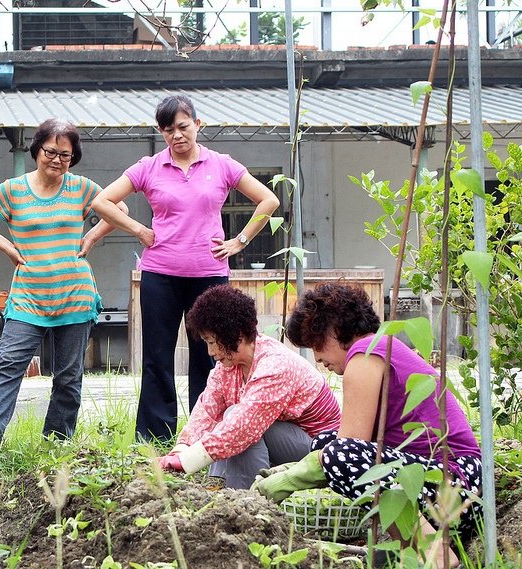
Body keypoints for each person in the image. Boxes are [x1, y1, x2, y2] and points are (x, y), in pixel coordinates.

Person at [92, 94, 281, 442]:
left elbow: (269, 199)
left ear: (197, 124)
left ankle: (205, 434)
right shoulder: (148, 166)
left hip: (209, 278)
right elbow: (101, 201)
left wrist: (240, 240)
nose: (176, 135)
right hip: (160, 276)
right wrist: (138, 229)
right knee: (157, 358)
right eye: (167, 130)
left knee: (209, 360)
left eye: (182, 126)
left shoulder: (221, 164)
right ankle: (154, 439)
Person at [256, 283, 481, 569]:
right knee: (326, 444)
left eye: (316, 345)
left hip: (453, 486)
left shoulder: (365, 354)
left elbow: (349, 450)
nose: (318, 359)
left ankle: (438, 559)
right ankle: (410, 546)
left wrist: (286, 481)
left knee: (341, 456)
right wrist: (290, 468)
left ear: (334, 330)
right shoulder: (382, 346)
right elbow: (344, 443)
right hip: (455, 485)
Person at [0, 118, 128, 456]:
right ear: (37, 150)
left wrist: (92, 236)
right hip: (28, 296)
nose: (57, 160)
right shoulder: (13, 190)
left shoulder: (81, 188)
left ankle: (57, 442)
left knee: (68, 376)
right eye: (51, 151)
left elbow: (119, 209)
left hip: (74, 294)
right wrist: (8, 247)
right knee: (8, 364)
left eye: (65, 155)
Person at [157, 284, 341, 489]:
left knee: (238, 421)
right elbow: (207, 411)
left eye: (211, 341)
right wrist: (181, 449)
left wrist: (188, 461)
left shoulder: (275, 365)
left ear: (236, 335)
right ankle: (221, 487)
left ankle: (247, 497)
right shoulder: (227, 367)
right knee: (230, 418)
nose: (209, 352)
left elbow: (244, 426)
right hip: (289, 443)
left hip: (321, 451)